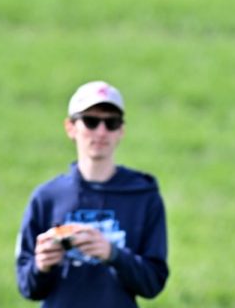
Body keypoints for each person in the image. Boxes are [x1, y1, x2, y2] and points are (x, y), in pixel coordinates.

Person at [16, 81, 169, 307]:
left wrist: (113, 254)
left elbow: (153, 283)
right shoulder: (47, 198)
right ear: (71, 128)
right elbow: (27, 287)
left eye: (111, 123)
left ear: (121, 131)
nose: (101, 131)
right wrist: (42, 266)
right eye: (91, 121)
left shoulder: (143, 196)